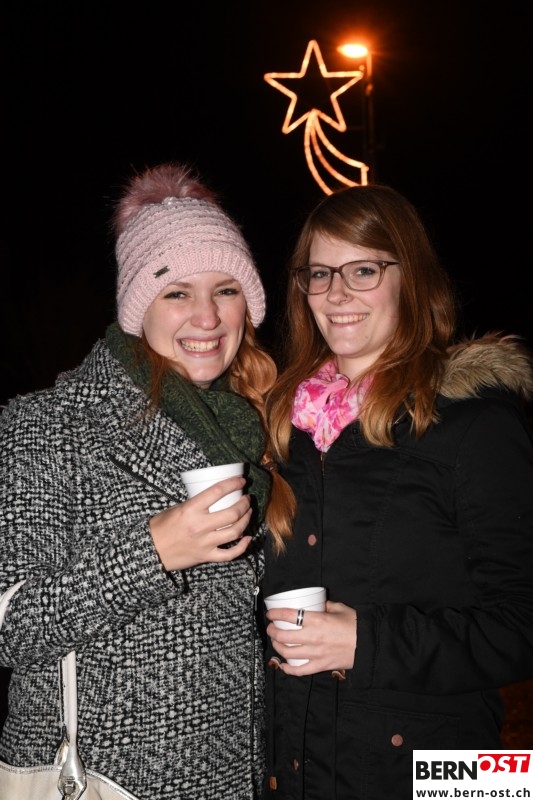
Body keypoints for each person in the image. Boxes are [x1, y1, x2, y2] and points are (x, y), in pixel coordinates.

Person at [0, 162, 279, 799]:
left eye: (226, 290)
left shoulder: (252, 422)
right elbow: (12, 628)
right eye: (176, 292)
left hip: (234, 772)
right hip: (109, 780)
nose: (207, 317)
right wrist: (153, 553)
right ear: (137, 305)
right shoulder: (51, 423)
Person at [261, 183, 533, 799]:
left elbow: (521, 622)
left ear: (409, 278)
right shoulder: (282, 430)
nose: (336, 294)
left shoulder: (473, 423)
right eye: (319, 273)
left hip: (439, 778)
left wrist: (368, 642)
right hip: (297, 775)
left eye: (363, 270)